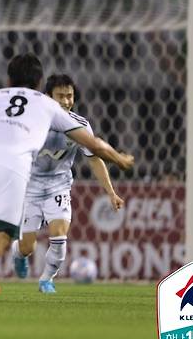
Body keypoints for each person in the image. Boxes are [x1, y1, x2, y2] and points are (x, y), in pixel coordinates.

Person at [0, 53, 134, 314]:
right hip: (12, 168)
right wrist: (119, 159)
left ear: (8, 78)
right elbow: (94, 145)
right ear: (40, 84)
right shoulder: (47, 105)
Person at [10, 73, 124, 293]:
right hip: (30, 189)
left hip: (58, 186)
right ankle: (18, 254)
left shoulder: (80, 126)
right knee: (27, 246)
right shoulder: (29, 122)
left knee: (59, 236)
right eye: (60, 96)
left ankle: (46, 280)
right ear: (47, 97)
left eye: (69, 96)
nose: (65, 101)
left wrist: (111, 192)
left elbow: (94, 158)